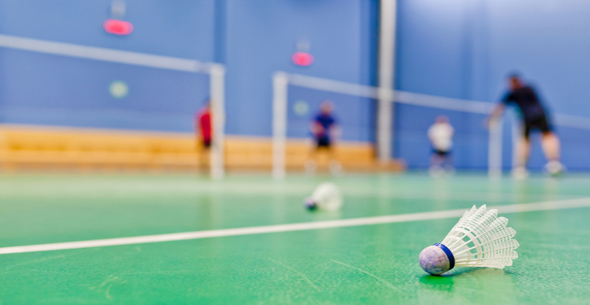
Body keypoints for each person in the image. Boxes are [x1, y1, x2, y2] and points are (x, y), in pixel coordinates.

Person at [486, 74, 564, 178]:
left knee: (526, 140)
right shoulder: (529, 88)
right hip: (540, 115)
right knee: (546, 136)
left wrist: (491, 119)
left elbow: (499, 107)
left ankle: (521, 168)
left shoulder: (513, 92)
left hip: (528, 118)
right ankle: (554, 163)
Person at [306, 100, 342, 175]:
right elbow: (314, 126)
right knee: (313, 152)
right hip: (318, 138)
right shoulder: (318, 117)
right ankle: (311, 166)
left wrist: (334, 136)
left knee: (332, 152)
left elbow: (334, 127)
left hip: (327, 138)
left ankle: (334, 166)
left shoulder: (331, 118)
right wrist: (318, 131)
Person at [195, 101, 212, 170]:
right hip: (205, 136)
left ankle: (207, 164)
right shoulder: (204, 115)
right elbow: (199, 125)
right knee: (205, 151)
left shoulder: (211, 115)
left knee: (207, 151)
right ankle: (204, 165)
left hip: (211, 136)